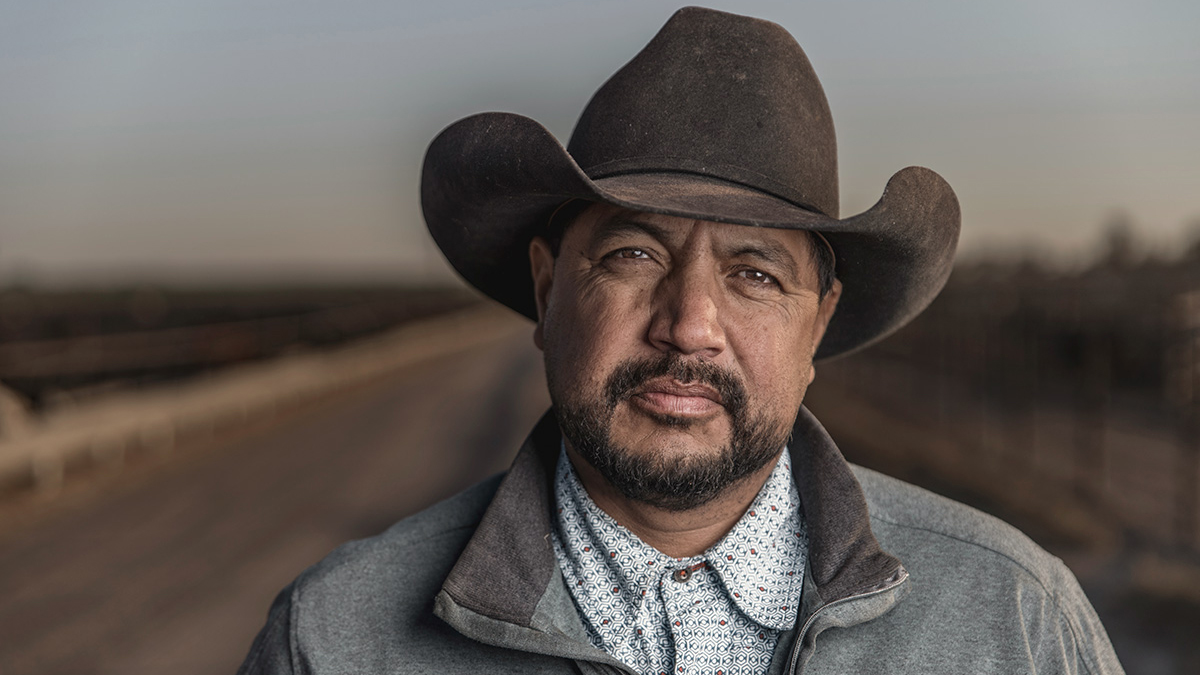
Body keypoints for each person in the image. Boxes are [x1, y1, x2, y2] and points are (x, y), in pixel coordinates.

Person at [238, 7, 1123, 674]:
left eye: (755, 273)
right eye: (632, 253)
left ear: (819, 324)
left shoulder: (1016, 620)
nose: (690, 324)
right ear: (548, 292)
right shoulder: (331, 640)